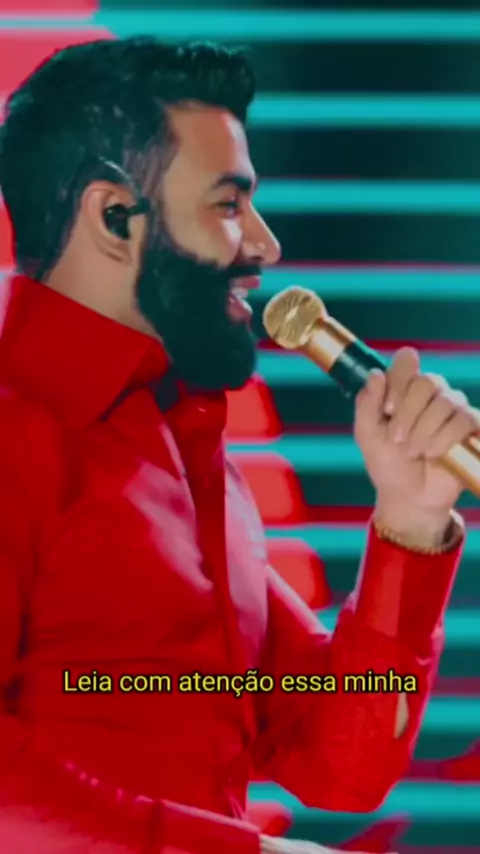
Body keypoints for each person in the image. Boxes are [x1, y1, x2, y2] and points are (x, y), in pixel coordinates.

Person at [0, 36, 475, 854]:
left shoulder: (186, 447)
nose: (264, 244)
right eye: (228, 206)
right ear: (113, 217)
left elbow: (339, 765)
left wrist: (410, 519)